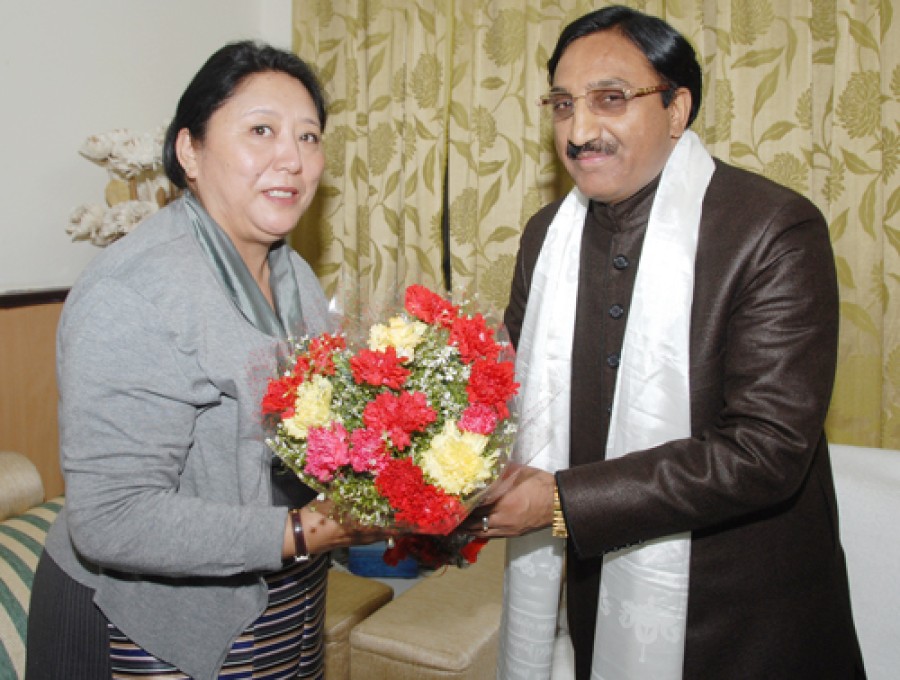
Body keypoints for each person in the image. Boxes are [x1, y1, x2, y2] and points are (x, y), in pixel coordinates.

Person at [472, 6, 865, 679]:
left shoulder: (772, 229)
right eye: (563, 105)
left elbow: (766, 451)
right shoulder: (546, 236)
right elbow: (506, 395)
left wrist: (560, 502)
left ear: (677, 109)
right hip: (598, 588)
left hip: (746, 614)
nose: (579, 131)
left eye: (610, 99)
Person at [26, 41, 384, 679]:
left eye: (308, 136)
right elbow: (111, 519)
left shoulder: (293, 273)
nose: (292, 158)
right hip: (147, 624)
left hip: (280, 598)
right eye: (261, 130)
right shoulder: (133, 292)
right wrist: (302, 531)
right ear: (189, 151)